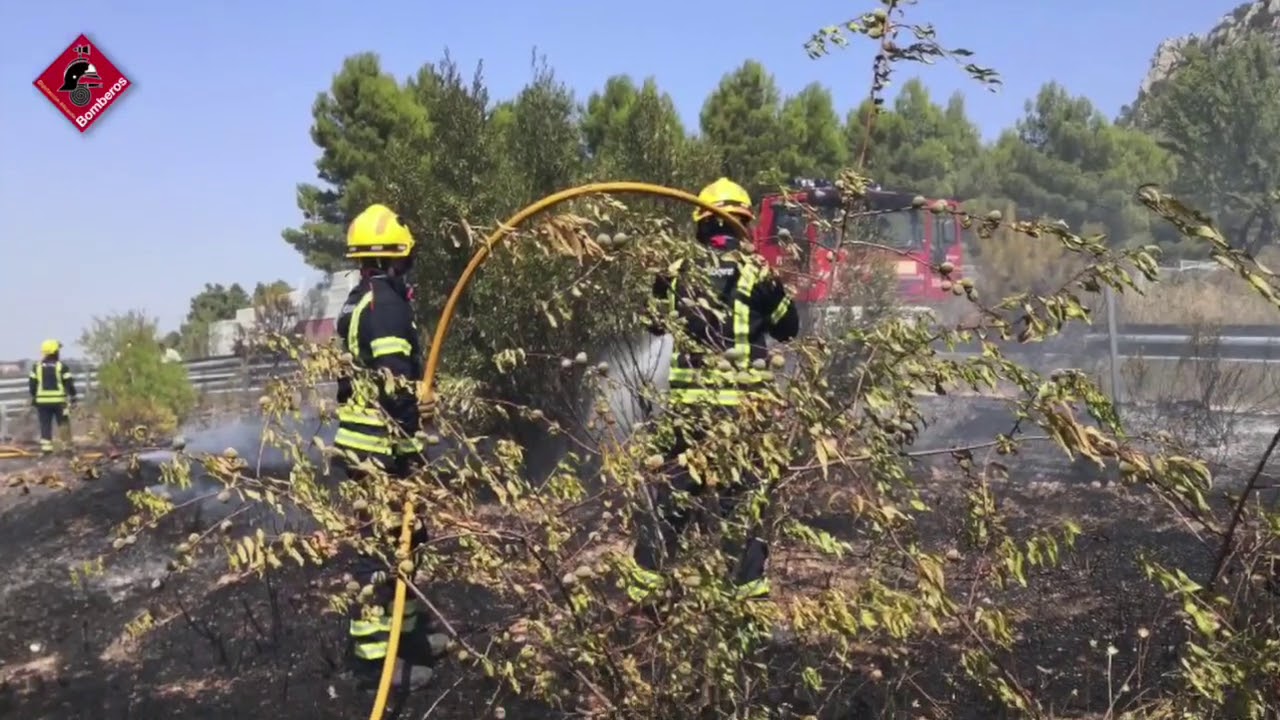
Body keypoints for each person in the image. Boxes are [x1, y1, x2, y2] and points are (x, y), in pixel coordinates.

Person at [628, 177, 801, 608]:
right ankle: (744, 604)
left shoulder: (674, 273)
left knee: (669, 504)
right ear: (744, 224)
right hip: (744, 417)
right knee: (744, 509)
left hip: (689, 415)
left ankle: (644, 598)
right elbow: (790, 328)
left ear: (701, 223)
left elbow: (653, 325)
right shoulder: (759, 271)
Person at [334, 203, 444, 691]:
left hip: (366, 447)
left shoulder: (360, 299)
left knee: (408, 538)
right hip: (381, 452)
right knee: (380, 551)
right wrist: (412, 449)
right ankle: (377, 662)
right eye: (408, 261)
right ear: (396, 259)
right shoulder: (387, 306)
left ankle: (411, 634)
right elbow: (395, 385)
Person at [28, 339, 77, 455]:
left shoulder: (36, 367)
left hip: (42, 403)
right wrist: (73, 397)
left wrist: (34, 397)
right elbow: (69, 383)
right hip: (59, 402)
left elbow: (32, 385)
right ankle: (67, 448)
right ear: (55, 352)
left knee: (45, 424)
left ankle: (46, 449)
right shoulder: (61, 367)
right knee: (63, 423)